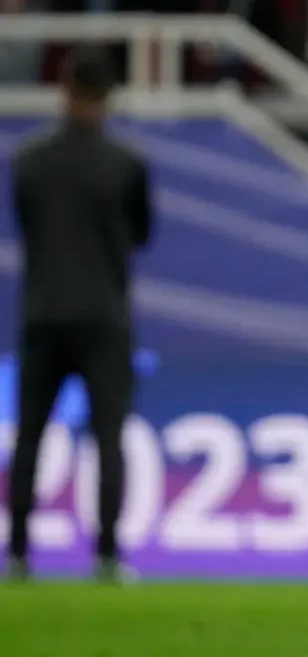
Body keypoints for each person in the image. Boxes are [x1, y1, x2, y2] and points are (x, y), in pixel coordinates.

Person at [5, 48, 153, 582]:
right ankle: (108, 556)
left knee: (31, 437)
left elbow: (27, 224)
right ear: (108, 98)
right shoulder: (126, 165)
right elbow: (139, 235)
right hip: (104, 318)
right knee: (108, 438)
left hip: (42, 313)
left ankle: (19, 555)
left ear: (64, 90)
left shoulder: (28, 161)